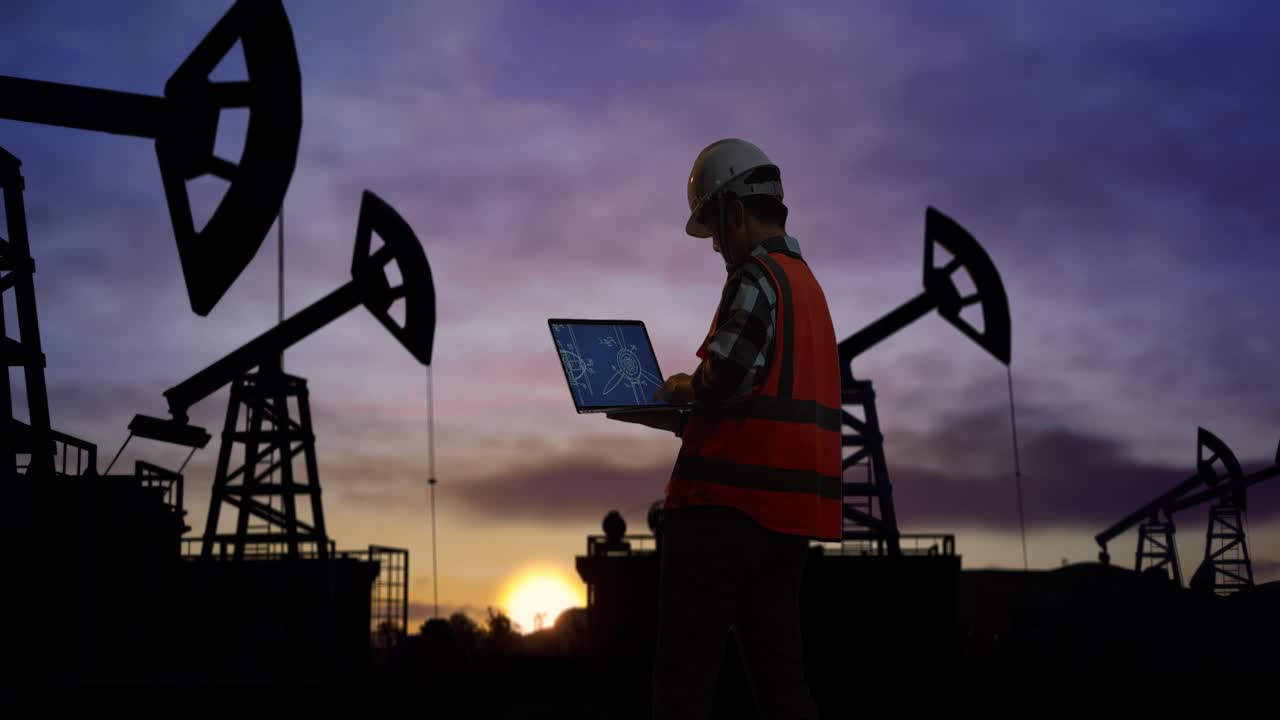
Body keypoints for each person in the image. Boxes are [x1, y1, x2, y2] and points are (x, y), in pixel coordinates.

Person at [608, 138, 842, 719]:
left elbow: (726, 378)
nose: (715, 245)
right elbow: (762, 403)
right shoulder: (808, 289)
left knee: (682, 687)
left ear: (735, 212)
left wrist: (686, 386)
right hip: (784, 522)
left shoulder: (755, 276)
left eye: (714, 228)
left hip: (719, 516)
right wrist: (684, 419)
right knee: (782, 686)